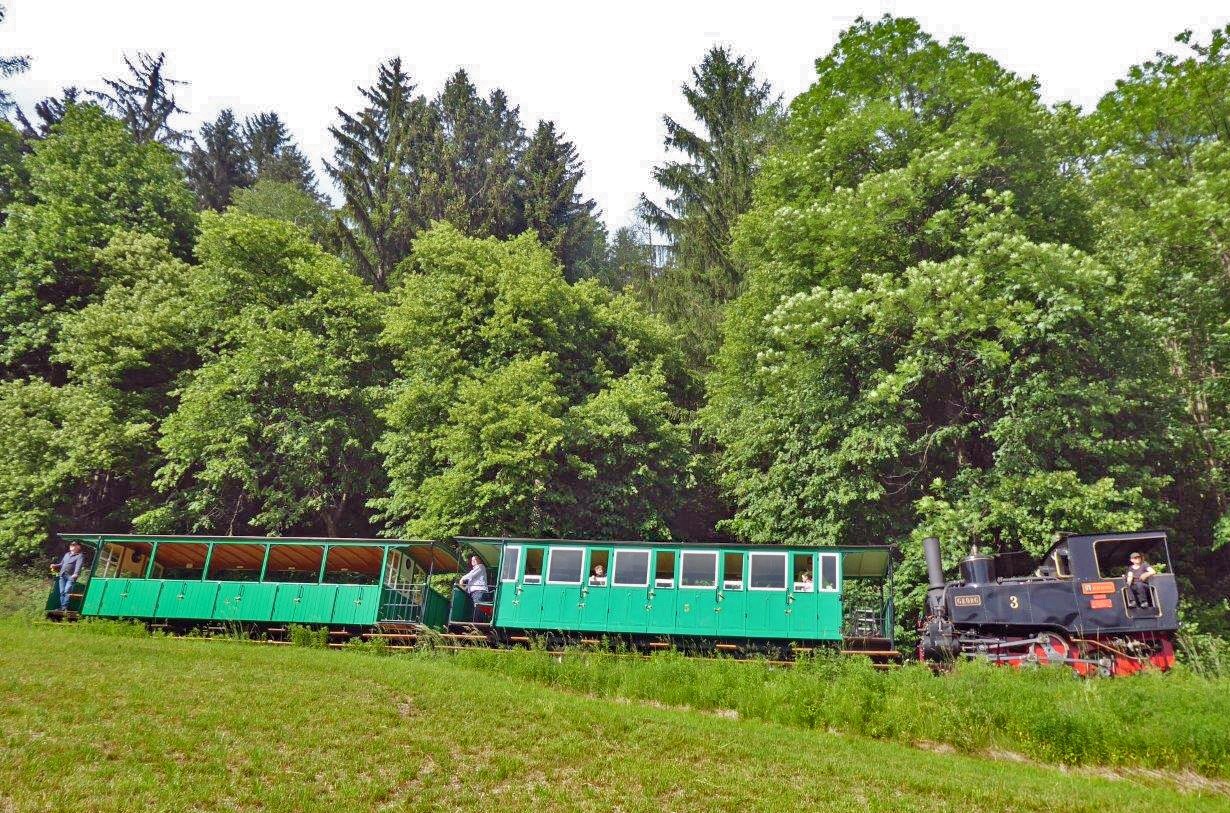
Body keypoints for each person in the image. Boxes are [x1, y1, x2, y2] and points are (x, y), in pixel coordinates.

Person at [51, 540, 85, 611]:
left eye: (74, 544)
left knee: (67, 591)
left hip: (71, 576)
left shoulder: (80, 556)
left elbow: (78, 565)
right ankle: (62, 607)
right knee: (62, 592)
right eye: (71, 544)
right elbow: (62, 564)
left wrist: (76, 573)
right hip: (62, 575)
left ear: (78, 547)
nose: (71, 546)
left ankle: (64, 607)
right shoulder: (67, 554)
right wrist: (55, 565)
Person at [458, 555, 489, 622]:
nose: (473, 561)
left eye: (475, 559)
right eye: (472, 560)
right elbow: (471, 582)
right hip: (475, 592)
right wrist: (465, 588)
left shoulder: (480, 566)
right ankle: (476, 623)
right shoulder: (475, 570)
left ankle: (478, 624)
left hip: (479, 591)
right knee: (476, 609)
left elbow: (470, 575)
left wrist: (462, 579)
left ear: (479, 561)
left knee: (478, 608)